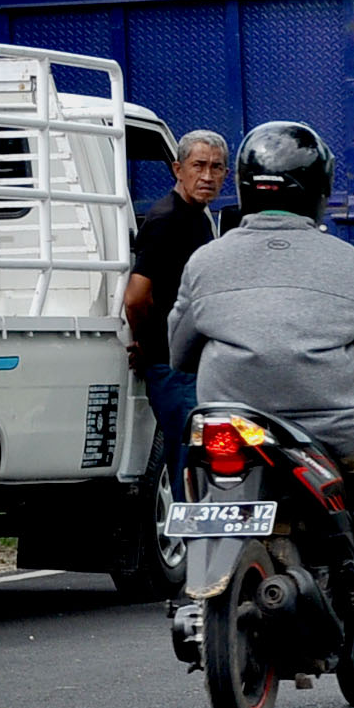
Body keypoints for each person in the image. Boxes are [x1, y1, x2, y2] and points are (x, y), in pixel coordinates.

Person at [167, 121, 354, 633]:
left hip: (228, 424)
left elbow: (179, 352)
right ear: (320, 190)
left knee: (197, 470)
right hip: (331, 429)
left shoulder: (205, 261)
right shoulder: (353, 266)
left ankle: (198, 583)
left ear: (242, 183)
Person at [125, 129, 229, 491]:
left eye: (217, 168)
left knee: (204, 466)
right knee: (189, 468)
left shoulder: (197, 216)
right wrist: (146, 343)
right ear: (177, 169)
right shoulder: (167, 219)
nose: (207, 176)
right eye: (198, 165)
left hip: (195, 365)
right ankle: (189, 546)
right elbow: (136, 296)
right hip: (173, 368)